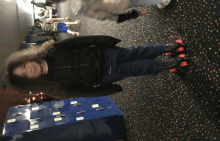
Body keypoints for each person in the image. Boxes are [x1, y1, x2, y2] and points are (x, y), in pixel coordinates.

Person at [5, 35, 187, 98]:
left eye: (23, 66)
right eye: (25, 76)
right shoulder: (53, 86)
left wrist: (104, 41)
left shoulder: (51, 49)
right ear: (30, 81)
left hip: (106, 53)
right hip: (105, 74)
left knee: (136, 52)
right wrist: (108, 89)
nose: (29, 70)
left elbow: (80, 42)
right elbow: (84, 92)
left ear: (26, 58)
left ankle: (166, 48)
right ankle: (168, 65)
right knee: (138, 68)